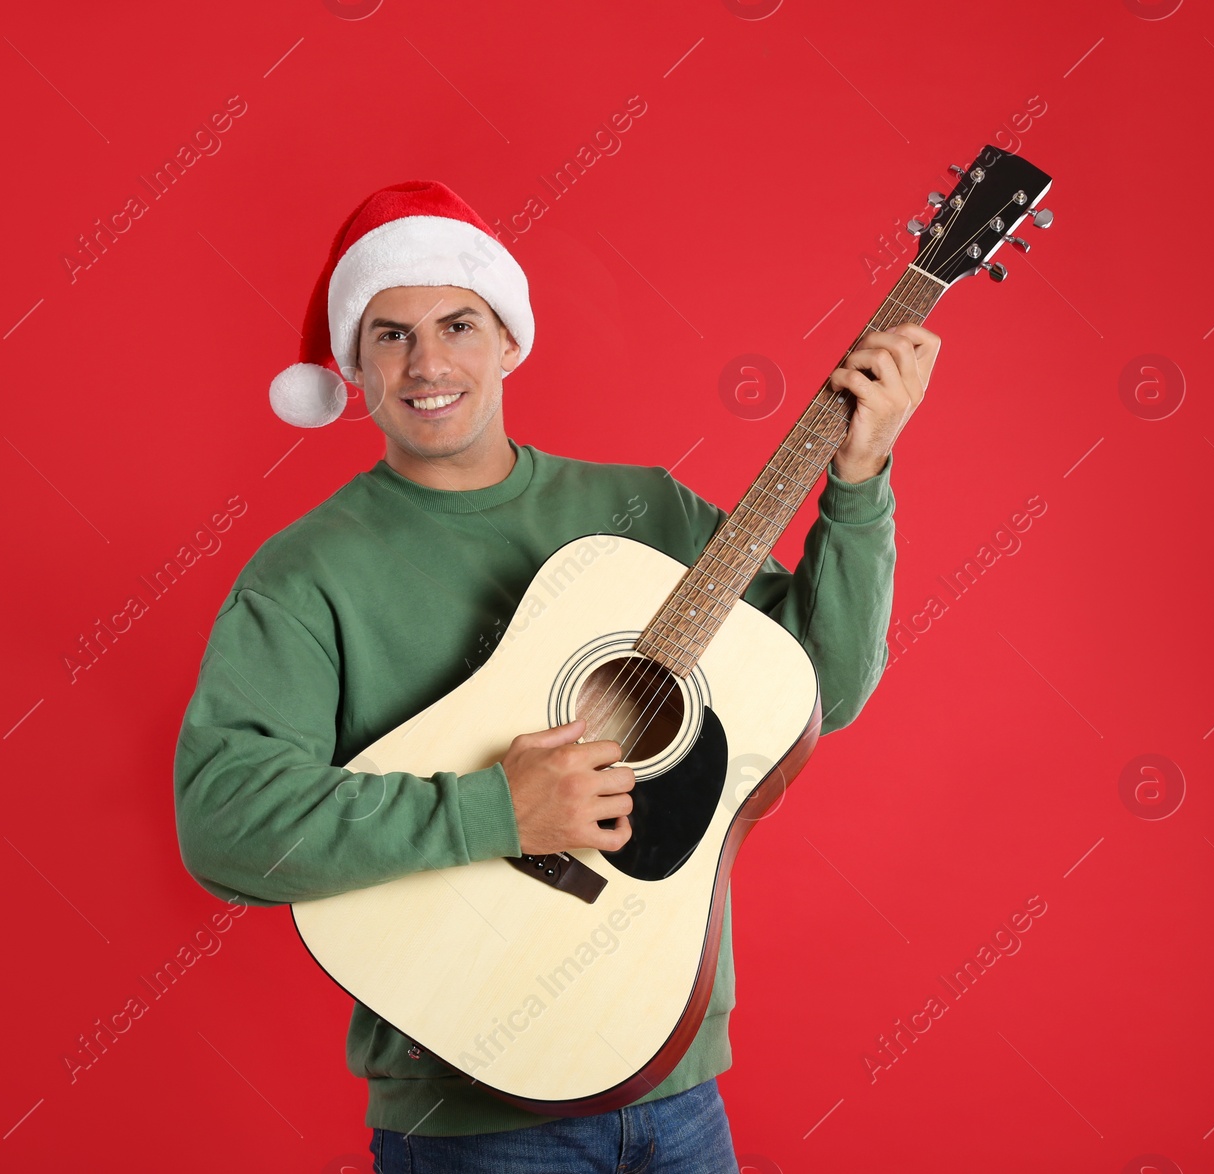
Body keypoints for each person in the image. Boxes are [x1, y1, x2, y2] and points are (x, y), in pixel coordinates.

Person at [172, 180, 938, 1173]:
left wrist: (859, 483)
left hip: (678, 1081)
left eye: (458, 323)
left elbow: (818, 692)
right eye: (389, 334)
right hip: (466, 1116)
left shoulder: (644, 511)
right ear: (353, 366)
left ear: (509, 341)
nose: (429, 361)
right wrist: (497, 811)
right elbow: (224, 820)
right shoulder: (306, 572)